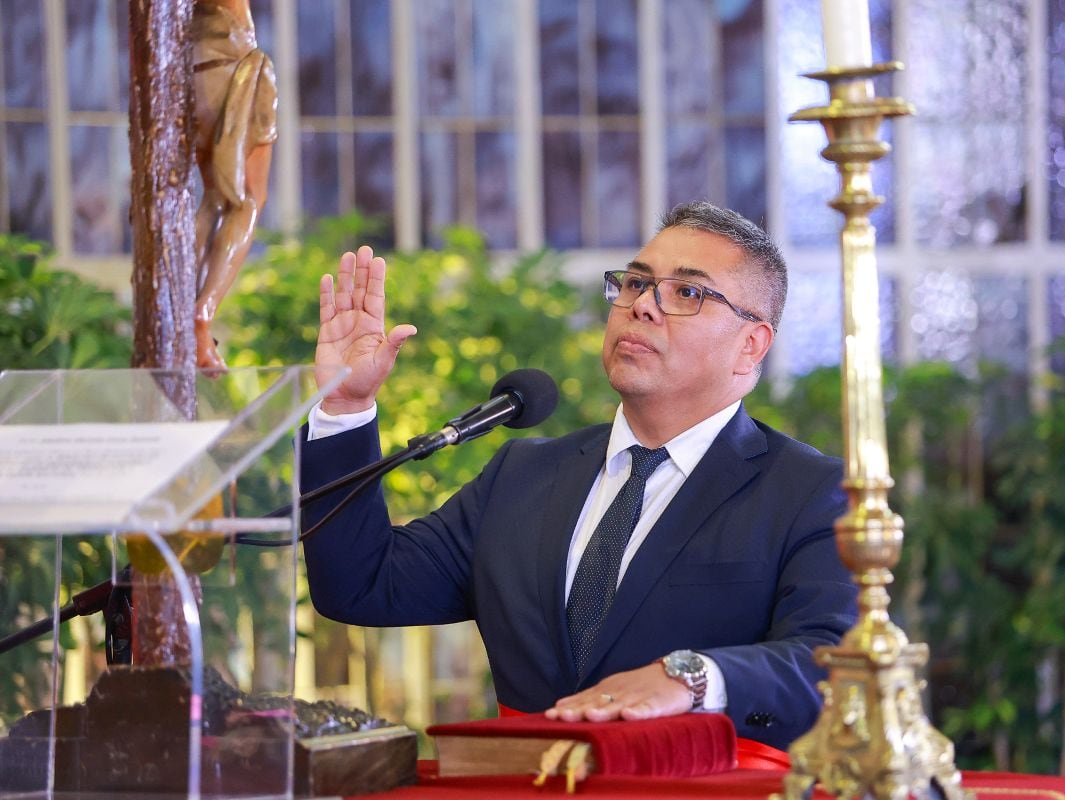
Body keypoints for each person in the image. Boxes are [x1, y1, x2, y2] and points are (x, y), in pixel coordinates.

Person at [300, 202, 856, 754]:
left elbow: (834, 661)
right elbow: (363, 584)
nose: (642, 307)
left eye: (687, 293)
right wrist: (346, 405)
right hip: (528, 788)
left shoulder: (811, 492)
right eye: (636, 283)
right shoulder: (522, 475)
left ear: (750, 346)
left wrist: (692, 676)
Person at [191, 0, 278, 370]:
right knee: (247, 201)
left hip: (193, 69)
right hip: (233, 61)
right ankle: (201, 314)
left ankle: (179, 309)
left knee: (213, 199)